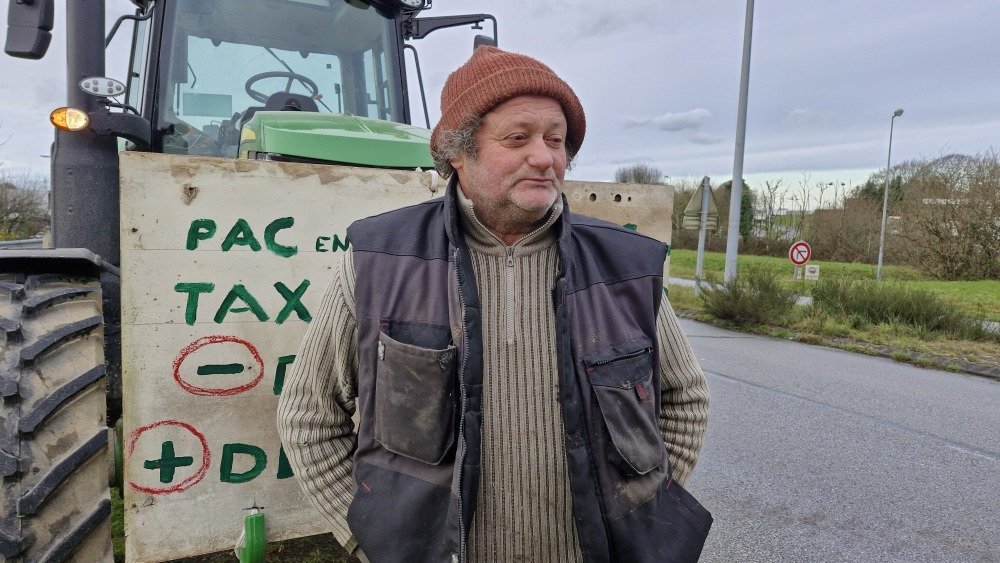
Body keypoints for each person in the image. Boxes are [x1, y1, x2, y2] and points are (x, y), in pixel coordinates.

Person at [277, 46, 712, 562]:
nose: (545, 157)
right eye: (518, 138)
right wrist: (374, 537)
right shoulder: (379, 260)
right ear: (458, 152)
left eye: (556, 140)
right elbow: (309, 416)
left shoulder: (622, 268)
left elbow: (684, 401)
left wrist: (634, 515)